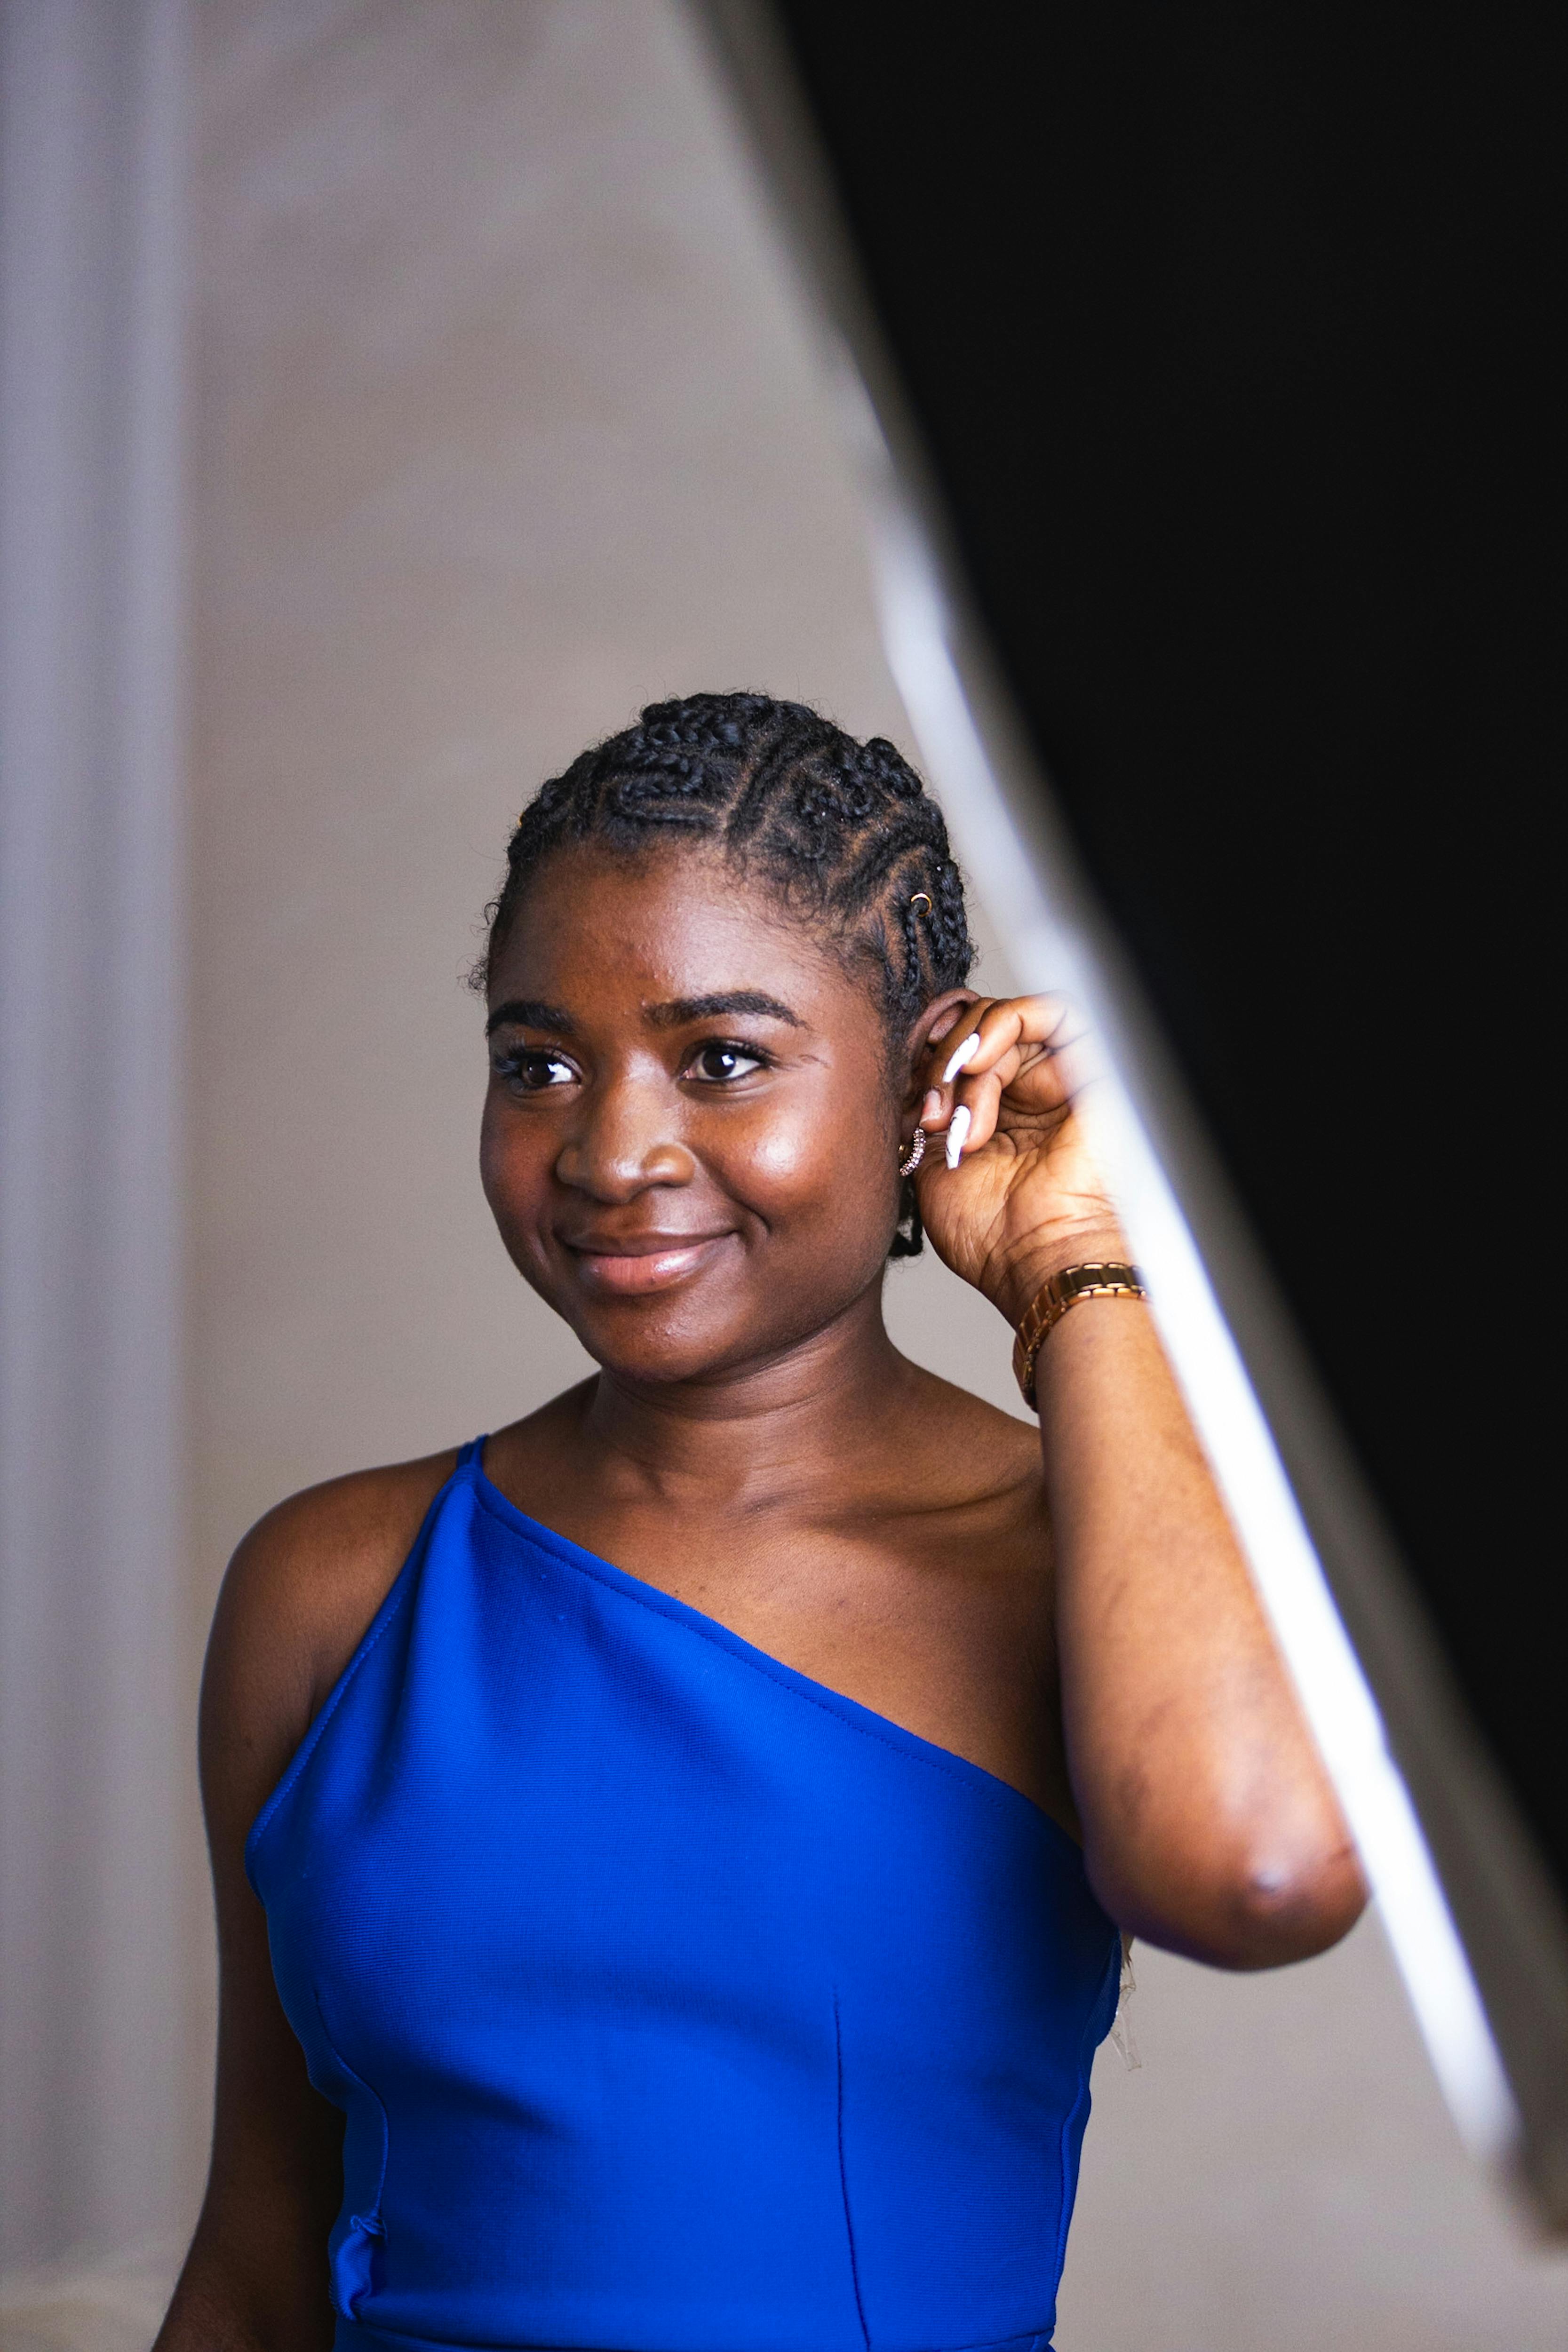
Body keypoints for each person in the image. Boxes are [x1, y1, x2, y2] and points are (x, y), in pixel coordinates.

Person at [157, 694, 1363, 2352]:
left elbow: (1258, 1874)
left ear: (927, 1077)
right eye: (540, 1064)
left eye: (722, 1060)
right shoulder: (336, 1588)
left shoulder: (1071, 1552)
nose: (612, 1151)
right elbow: (255, 2264)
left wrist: (1080, 1262)